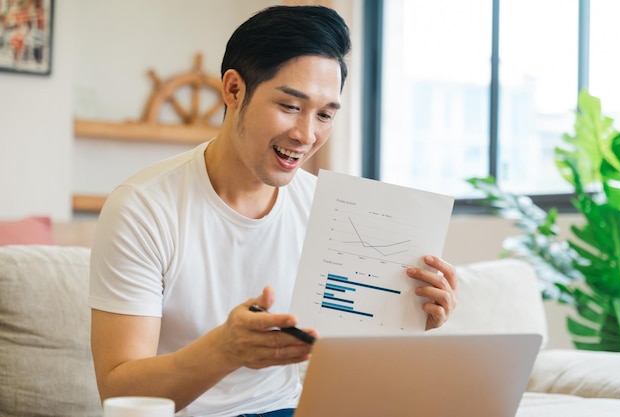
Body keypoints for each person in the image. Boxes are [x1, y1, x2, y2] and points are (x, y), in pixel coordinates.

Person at [89, 5, 458, 417]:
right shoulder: (143, 208)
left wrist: (402, 321)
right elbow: (118, 390)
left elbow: (352, 365)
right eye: (290, 106)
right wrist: (225, 350)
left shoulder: (329, 209)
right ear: (233, 90)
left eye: (324, 115)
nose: (306, 135)